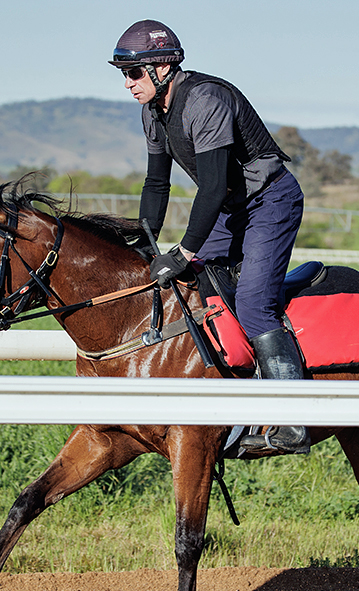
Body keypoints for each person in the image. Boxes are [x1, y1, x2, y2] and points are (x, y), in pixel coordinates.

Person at [110, 19, 309, 455]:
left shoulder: (206, 99)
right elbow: (156, 184)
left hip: (269, 202)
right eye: (122, 73)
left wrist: (183, 250)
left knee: (255, 306)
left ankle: (292, 423)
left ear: (162, 67)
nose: (127, 83)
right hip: (230, 207)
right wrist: (146, 243)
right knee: (181, 288)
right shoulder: (153, 113)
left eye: (133, 73)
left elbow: (214, 187)